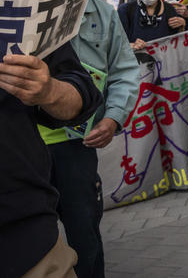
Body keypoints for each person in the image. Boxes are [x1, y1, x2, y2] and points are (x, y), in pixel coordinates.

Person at [38, 0, 140, 278]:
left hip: (76, 145)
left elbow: (124, 70)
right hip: (22, 148)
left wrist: (113, 118)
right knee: (28, 240)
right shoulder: (19, 7)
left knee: (84, 236)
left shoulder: (101, 11)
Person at [1, 43, 102, 278]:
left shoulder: (18, 11)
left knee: (84, 230)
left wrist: (49, 91)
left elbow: (81, 90)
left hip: (25, 239)